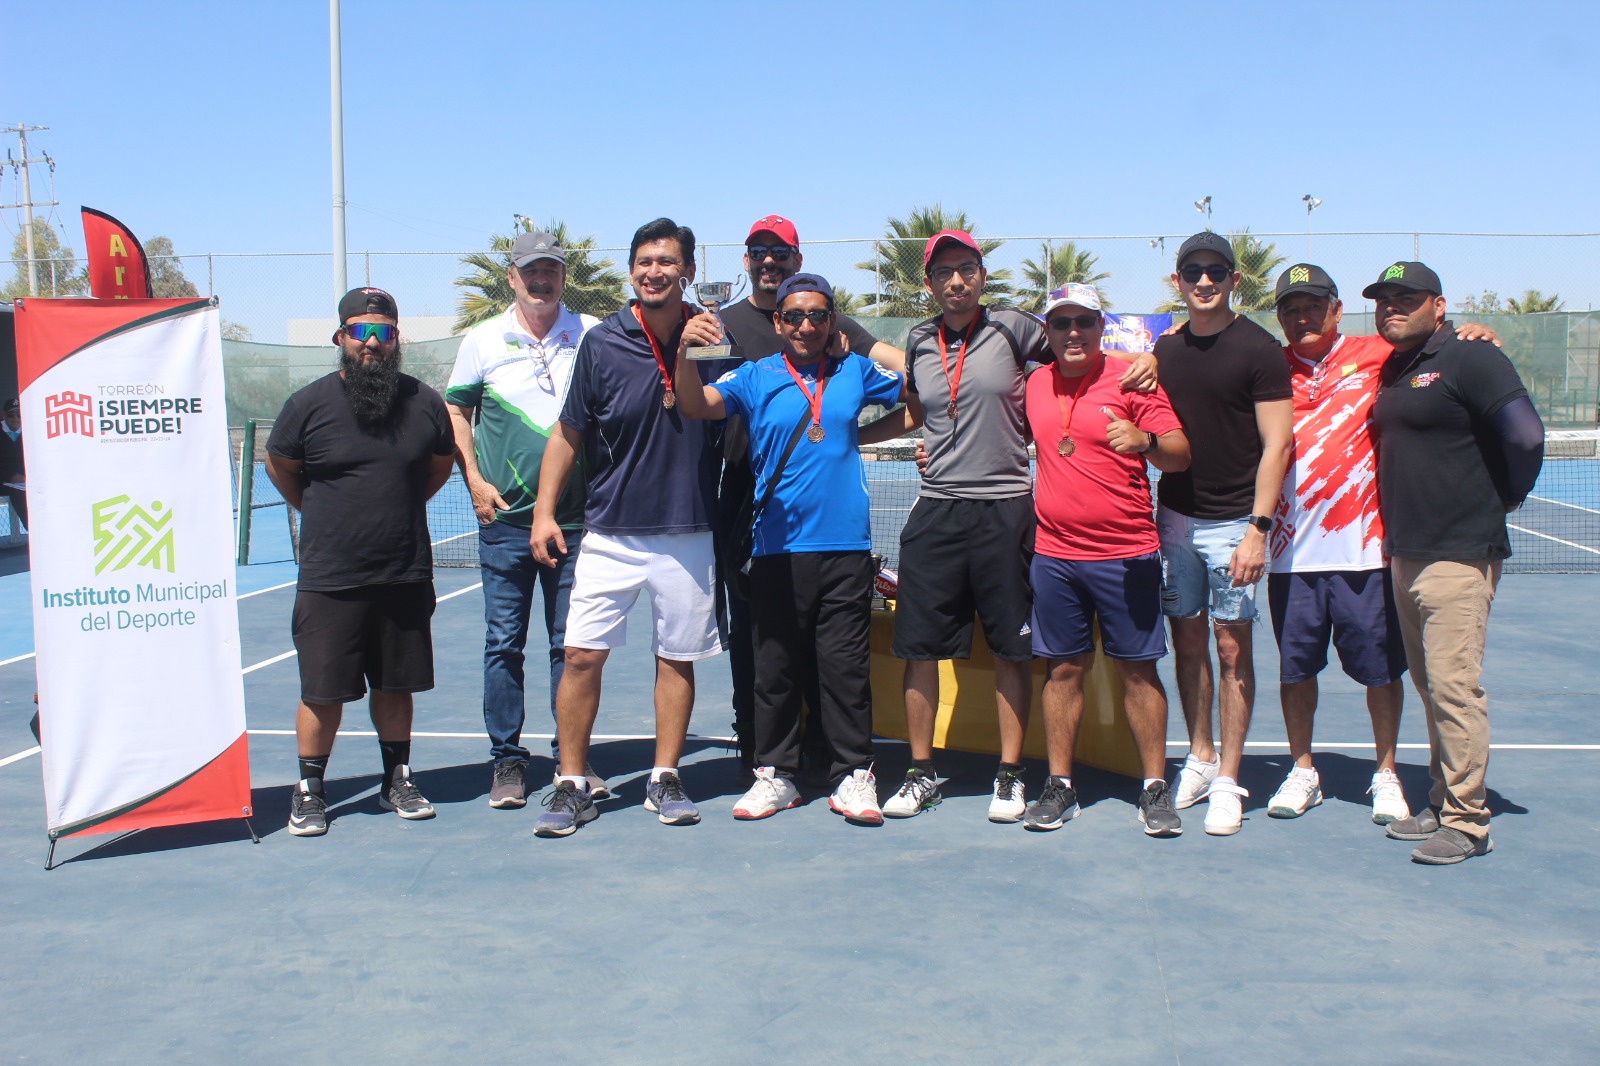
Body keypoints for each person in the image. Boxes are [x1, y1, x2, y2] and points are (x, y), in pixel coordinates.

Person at [884, 230, 1156, 822]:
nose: (956, 281)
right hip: (936, 509)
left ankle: (1010, 776)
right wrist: (869, 438)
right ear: (928, 283)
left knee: (1011, 648)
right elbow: (920, 408)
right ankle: (920, 772)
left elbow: (1081, 349)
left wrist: (1150, 357)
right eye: (943, 272)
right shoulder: (918, 339)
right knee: (919, 650)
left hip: (1006, 510)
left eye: (966, 268)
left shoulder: (1016, 327)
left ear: (982, 276)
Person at [1264, 265, 1503, 825]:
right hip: (1288, 554)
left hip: (1367, 553)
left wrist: (1475, 332)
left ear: (1336, 309)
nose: (1302, 317)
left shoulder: (1379, 353)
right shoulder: (1269, 369)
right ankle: (1303, 771)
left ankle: (1386, 772)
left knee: (1381, 673)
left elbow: (1440, 351)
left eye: (1313, 305)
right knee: (1295, 672)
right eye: (1290, 308)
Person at [678, 272, 905, 824]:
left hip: (846, 547)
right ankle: (775, 776)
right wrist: (683, 353)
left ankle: (854, 775)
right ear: (778, 322)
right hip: (776, 548)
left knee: (845, 669)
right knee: (774, 670)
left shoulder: (855, 370)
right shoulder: (754, 376)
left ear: (832, 321)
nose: (806, 325)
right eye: (795, 316)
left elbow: (921, 396)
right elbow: (695, 404)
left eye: (818, 315)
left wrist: (863, 435)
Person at [527, 218, 728, 837]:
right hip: (610, 531)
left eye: (666, 261)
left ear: (687, 271)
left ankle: (664, 777)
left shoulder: (712, 338)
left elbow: (738, 408)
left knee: (677, 658)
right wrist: (543, 511)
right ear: (632, 269)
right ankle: (570, 782)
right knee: (580, 656)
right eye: (644, 261)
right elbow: (569, 432)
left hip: (689, 529)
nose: (653, 272)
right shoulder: (603, 342)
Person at [1366, 261, 1543, 864]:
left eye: (1407, 297)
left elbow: (1526, 436)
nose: (1392, 307)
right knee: (1431, 688)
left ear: (1438, 305)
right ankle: (1443, 801)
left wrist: (1508, 495)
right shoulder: (1395, 364)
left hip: (1458, 554)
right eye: (1384, 299)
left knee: (1453, 689)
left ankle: (1469, 823)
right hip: (1406, 554)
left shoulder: (1471, 356)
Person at [265, 287, 456, 837]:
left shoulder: (424, 402)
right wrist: (322, 512)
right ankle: (310, 789)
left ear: (397, 339)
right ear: (340, 337)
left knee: (396, 686)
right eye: (360, 331)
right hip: (331, 577)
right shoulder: (307, 405)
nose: (371, 342)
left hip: (403, 572)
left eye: (383, 332)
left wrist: (398, 506)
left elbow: (439, 466)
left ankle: (396, 779)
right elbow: (281, 466)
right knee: (322, 691)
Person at [1019, 285, 1190, 837]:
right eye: (1061, 323)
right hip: (1054, 556)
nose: (1073, 333)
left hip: (1127, 554)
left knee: (1138, 672)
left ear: (1100, 326)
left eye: (1084, 322)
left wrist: (1145, 441)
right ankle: (1060, 785)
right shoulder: (1034, 383)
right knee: (1063, 670)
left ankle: (1155, 787)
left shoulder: (1132, 378)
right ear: (1048, 331)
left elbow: (1180, 454)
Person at [445, 230, 608, 811]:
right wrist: (474, 480)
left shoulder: (591, 333)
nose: (542, 280)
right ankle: (508, 759)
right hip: (506, 523)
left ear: (563, 277)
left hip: (577, 523)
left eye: (551, 271)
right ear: (512, 277)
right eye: (531, 271)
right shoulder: (482, 338)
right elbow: (456, 410)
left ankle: (571, 758)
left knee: (573, 647)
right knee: (503, 643)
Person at [1154, 231, 1293, 836]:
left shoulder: (1260, 350)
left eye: (1216, 271)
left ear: (1235, 279)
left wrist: (1257, 529)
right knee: (1187, 643)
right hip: (1175, 522)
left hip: (1235, 524)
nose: (1204, 281)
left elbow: (1277, 444)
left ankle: (1230, 778)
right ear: (1178, 281)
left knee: (1233, 649)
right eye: (1193, 272)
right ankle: (1201, 756)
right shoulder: (1164, 349)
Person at [0, 397, 26, 529]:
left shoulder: (30, 432)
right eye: (11, 415)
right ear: (3, 415)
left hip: (25, 482)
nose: (15, 418)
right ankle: (33, 530)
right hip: (4, 482)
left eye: (19, 414)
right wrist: (10, 477)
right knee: (19, 494)